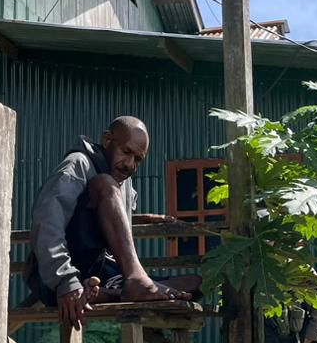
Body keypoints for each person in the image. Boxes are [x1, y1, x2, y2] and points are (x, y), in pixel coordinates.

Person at [27, 116, 202, 328]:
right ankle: (131, 282)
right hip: (59, 278)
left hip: (101, 274)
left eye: (138, 159)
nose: (130, 165)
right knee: (104, 184)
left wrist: (148, 219)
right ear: (107, 140)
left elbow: (105, 218)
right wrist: (66, 281)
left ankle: (106, 293)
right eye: (126, 152)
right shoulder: (78, 165)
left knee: (195, 284)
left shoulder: (123, 181)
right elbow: (48, 219)